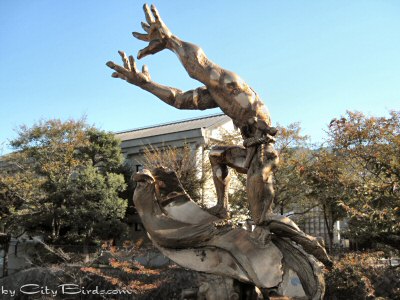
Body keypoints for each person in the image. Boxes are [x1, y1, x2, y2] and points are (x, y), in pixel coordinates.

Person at [106, 4, 278, 224]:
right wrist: (146, 84)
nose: (195, 75)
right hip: (249, 152)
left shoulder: (230, 83)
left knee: (262, 219)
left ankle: (281, 241)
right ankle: (222, 209)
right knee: (216, 154)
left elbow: (198, 64)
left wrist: (171, 41)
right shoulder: (216, 95)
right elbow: (179, 100)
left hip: (263, 153)